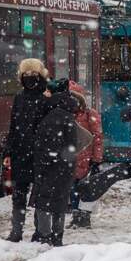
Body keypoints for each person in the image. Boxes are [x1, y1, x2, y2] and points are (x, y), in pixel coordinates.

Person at [4, 59, 49, 243]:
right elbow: (13, 127)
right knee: (22, 194)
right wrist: (8, 151)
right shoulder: (20, 98)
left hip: (36, 154)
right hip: (23, 153)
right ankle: (19, 231)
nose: (30, 78)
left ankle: (35, 231)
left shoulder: (46, 98)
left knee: (35, 194)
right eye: (26, 75)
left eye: (33, 75)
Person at [29, 79, 79, 246]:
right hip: (66, 166)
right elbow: (72, 144)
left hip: (50, 166)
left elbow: (44, 145)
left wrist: (42, 164)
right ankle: (58, 237)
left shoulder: (50, 116)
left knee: (44, 201)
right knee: (60, 202)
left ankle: (44, 236)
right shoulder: (69, 116)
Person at [68, 81, 103, 228]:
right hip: (71, 157)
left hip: (84, 159)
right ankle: (77, 215)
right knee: (73, 188)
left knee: (84, 188)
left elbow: (97, 137)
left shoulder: (89, 114)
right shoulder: (69, 113)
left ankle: (83, 216)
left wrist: (96, 159)